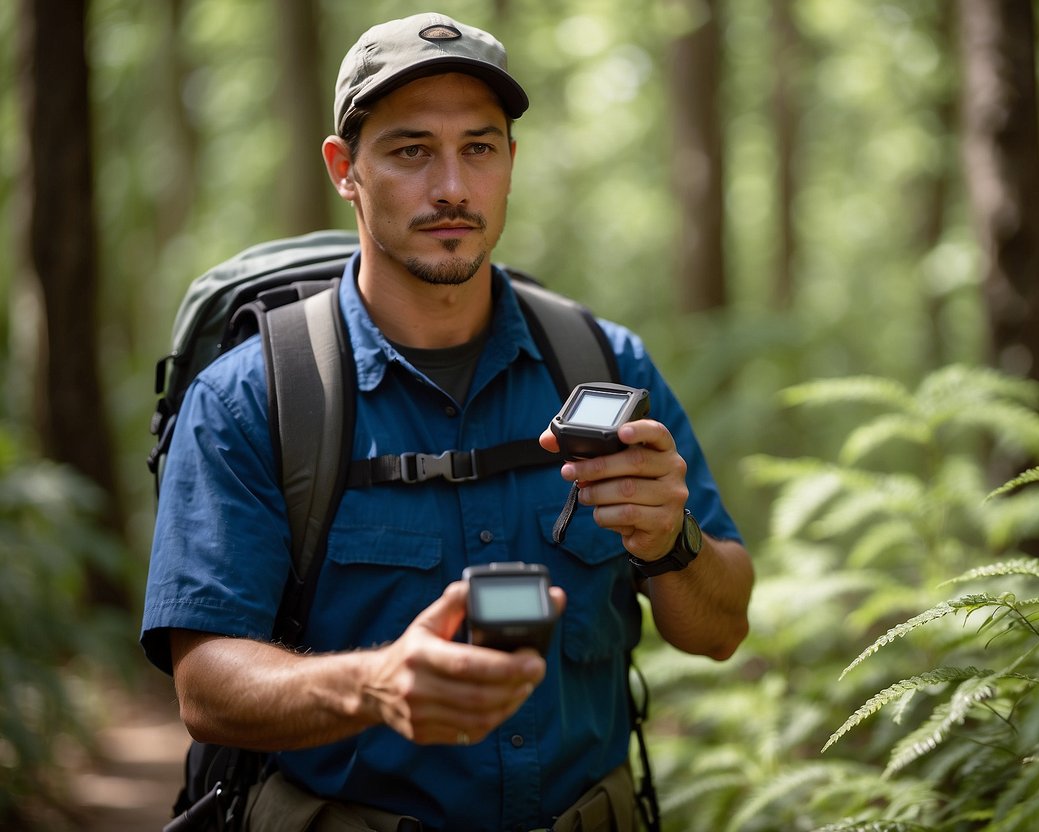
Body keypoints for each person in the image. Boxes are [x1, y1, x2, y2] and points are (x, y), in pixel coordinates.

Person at [141, 11, 753, 832]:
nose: (452, 188)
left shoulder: (604, 363)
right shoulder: (253, 395)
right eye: (409, 150)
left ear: (509, 162)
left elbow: (720, 628)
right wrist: (375, 684)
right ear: (343, 168)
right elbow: (206, 689)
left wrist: (671, 538)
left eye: (479, 147)